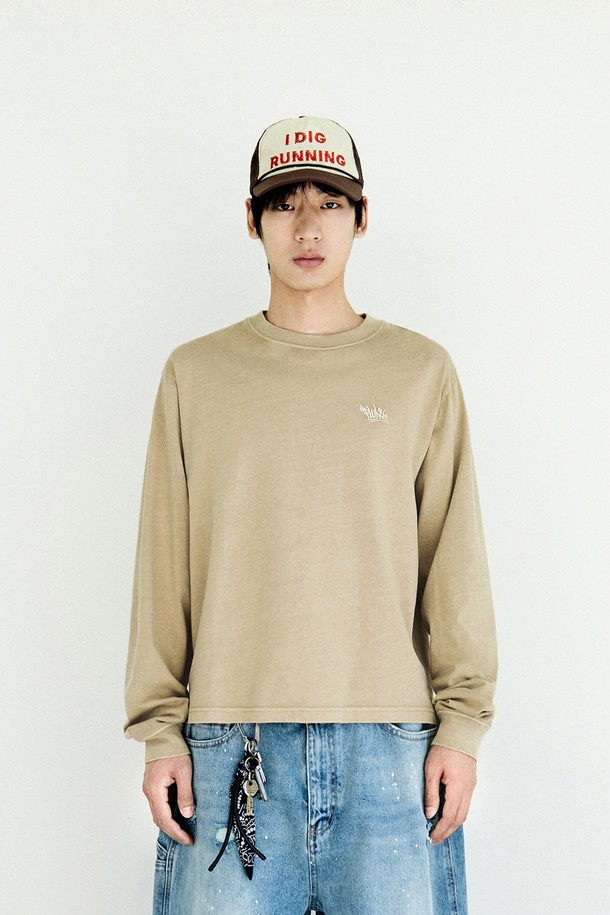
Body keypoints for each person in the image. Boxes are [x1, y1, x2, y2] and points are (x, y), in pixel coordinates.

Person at [123, 115, 497, 915]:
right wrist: (160, 731)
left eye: (329, 201)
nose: (306, 225)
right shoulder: (195, 375)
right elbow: (163, 566)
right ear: (251, 219)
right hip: (229, 745)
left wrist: (461, 727)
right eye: (283, 202)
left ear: (361, 217)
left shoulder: (419, 371)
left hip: (391, 753)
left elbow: (453, 560)